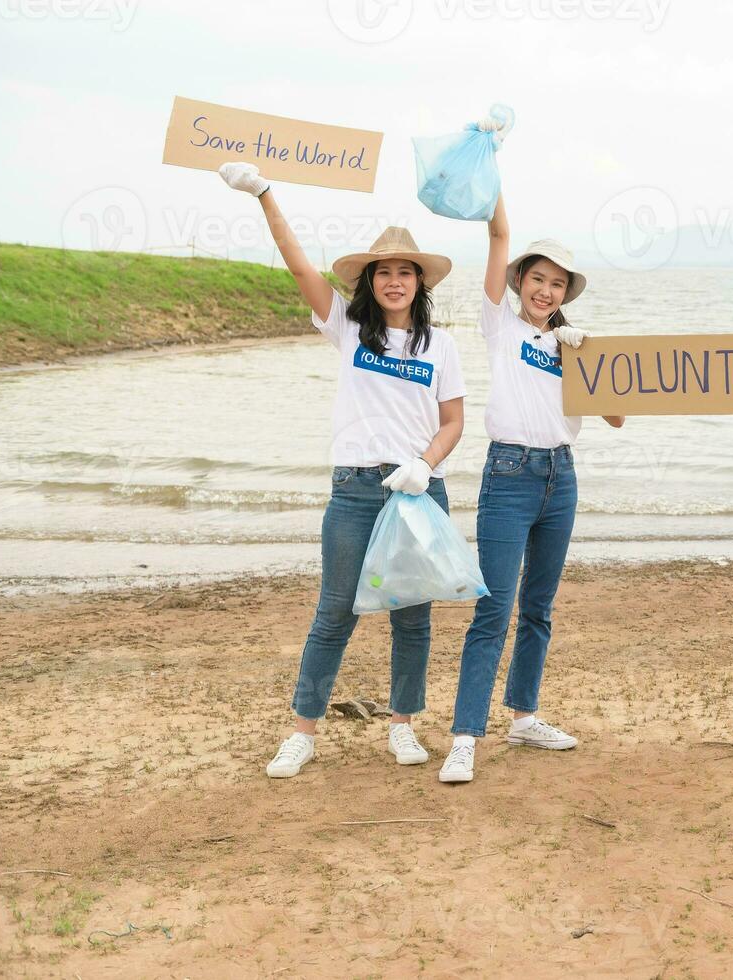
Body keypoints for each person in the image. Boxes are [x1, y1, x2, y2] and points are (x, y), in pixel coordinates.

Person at [216, 163, 467, 780]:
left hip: (417, 492)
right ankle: (303, 731)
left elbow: (455, 422)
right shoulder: (349, 328)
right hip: (355, 491)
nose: (395, 281)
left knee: (413, 614)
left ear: (419, 282)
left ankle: (403, 726)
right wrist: (265, 194)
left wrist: (424, 465)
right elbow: (300, 264)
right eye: (385, 272)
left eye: (406, 272)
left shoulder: (441, 346)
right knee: (336, 611)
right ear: (371, 282)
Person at [439, 192, 624, 784]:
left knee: (539, 608)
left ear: (567, 293)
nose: (546, 291)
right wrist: (491, 190)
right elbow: (497, 238)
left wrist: (586, 360)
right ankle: (465, 736)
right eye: (537, 279)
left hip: (560, 478)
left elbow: (618, 417)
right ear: (521, 282)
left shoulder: (574, 343)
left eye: (557, 284)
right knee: (492, 608)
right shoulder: (501, 326)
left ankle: (524, 716)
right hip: (509, 475)